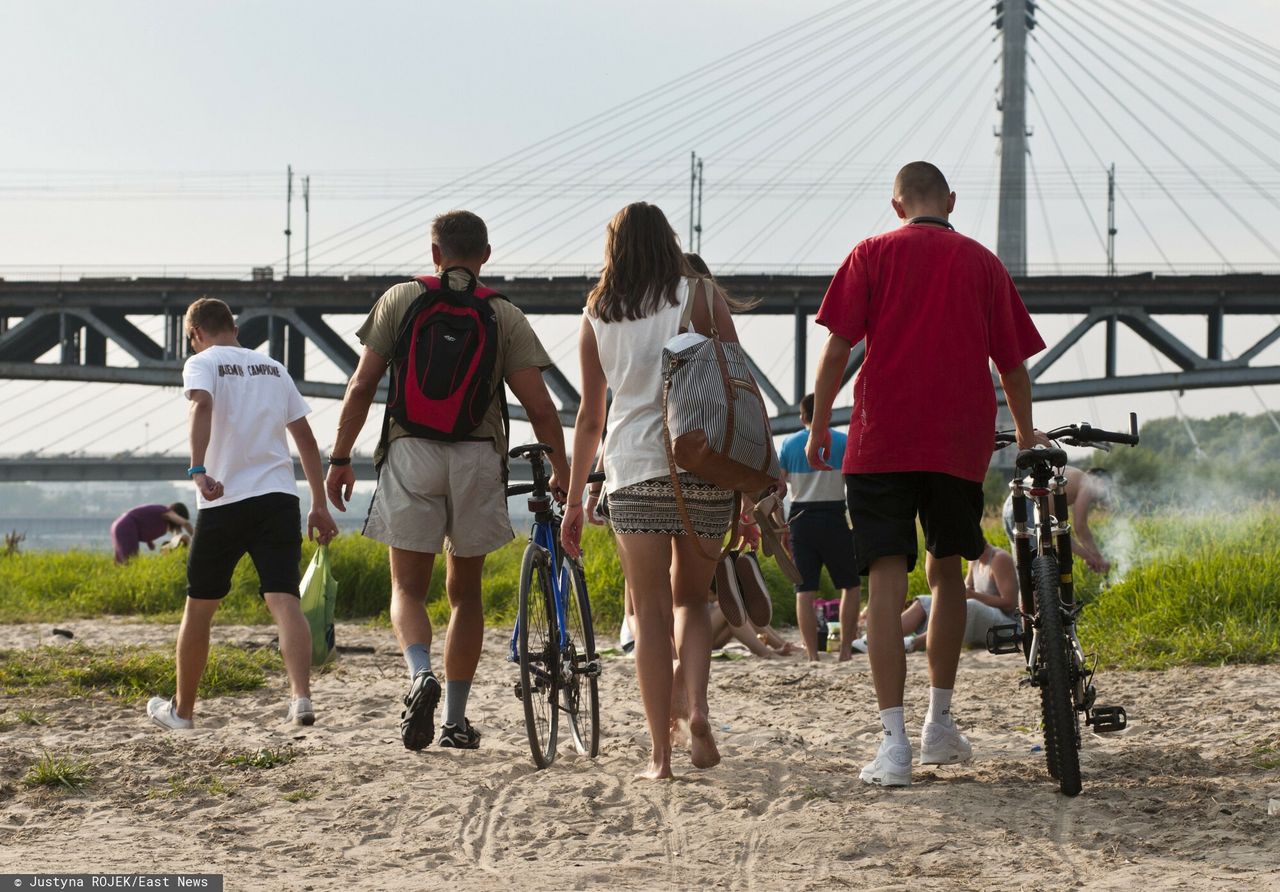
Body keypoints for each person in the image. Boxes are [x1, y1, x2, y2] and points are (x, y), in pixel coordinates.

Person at [807, 161, 1048, 787]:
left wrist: (817, 424)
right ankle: (940, 726)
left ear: (896, 207)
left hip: (880, 439)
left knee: (886, 580)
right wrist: (1023, 435)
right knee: (946, 574)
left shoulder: (869, 254)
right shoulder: (982, 263)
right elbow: (1013, 366)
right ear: (951, 202)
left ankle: (894, 746)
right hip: (955, 443)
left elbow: (837, 345)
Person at [324, 210, 569, 752]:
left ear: (434, 254)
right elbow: (542, 410)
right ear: (485, 255)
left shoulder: (400, 299)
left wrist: (340, 457)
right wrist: (563, 472)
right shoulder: (503, 314)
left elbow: (362, 385)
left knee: (408, 588)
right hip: (478, 456)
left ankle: (419, 674)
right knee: (466, 595)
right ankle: (456, 721)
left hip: (411, 451)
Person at [561, 203, 743, 779]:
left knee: (650, 617)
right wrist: (752, 474)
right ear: (668, 240)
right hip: (702, 468)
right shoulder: (699, 295)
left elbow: (591, 417)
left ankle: (659, 759)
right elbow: (736, 379)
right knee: (692, 601)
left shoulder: (596, 314)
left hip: (633, 468)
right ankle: (699, 717)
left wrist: (572, 498)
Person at [147, 298, 338, 731]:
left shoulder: (203, 363)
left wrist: (198, 470)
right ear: (233, 327)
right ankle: (301, 698)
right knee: (283, 598)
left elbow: (201, 406)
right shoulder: (273, 368)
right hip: (277, 497)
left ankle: (183, 713)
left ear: (195, 333)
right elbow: (306, 439)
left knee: (200, 607)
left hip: (224, 498)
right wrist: (319, 504)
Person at [779, 393, 862, 661]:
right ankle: (846, 651)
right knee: (850, 585)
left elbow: (779, 489)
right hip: (834, 516)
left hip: (801, 519)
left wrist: (781, 528)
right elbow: (855, 484)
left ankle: (812, 655)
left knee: (804, 590)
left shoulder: (789, 445)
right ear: (827, 413)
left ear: (802, 416)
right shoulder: (842, 441)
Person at [852, 542, 1018, 653]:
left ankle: (912, 643)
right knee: (925, 601)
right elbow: (965, 589)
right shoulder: (974, 560)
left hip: (1004, 622)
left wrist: (973, 595)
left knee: (970, 605)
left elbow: (1010, 603)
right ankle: (878, 638)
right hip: (981, 615)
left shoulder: (999, 559)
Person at [1002, 466, 1113, 573]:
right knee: (1035, 576)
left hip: (1013, 502)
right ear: (1100, 481)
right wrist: (1099, 558)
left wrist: (1089, 557)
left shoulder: (1071, 480)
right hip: (1029, 506)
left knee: (1024, 573)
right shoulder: (1088, 483)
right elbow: (1080, 527)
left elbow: (1062, 535)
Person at [110, 502, 192, 564]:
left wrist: (149, 542)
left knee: (120, 561)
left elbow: (146, 523)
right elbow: (185, 523)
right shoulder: (167, 512)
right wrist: (196, 538)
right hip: (127, 526)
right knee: (131, 562)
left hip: (118, 524)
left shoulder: (161, 518)